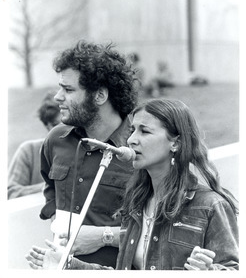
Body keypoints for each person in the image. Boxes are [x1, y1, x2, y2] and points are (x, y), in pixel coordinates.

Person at [26, 98, 239, 270]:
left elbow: (231, 268)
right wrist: (69, 264)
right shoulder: (136, 203)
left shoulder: (211, 206)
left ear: (176, 142)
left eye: (144, 131)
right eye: (132, 131)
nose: (131, 140)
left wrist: (210, 272)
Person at [36, 40, 138, 268]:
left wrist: (104, 237)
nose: (57, 97)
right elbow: (50, 188)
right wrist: (57, 220)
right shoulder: (56, 140)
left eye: (69, 90)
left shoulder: (140, 149)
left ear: (100, 95)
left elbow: (161, 233)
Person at [8, 90, 61, 199]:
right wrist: (50, 187)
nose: (63, 131)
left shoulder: (83, 151)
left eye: (68, 125)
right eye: (56, 126)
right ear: (47, 125)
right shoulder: (29, 151)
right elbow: (10, 193)